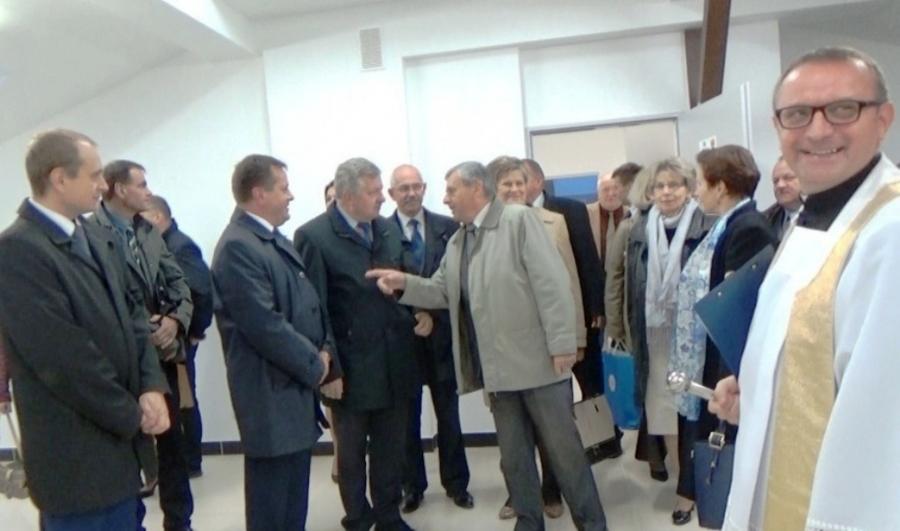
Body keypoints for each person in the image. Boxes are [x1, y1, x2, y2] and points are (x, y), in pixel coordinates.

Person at [709, 46, 900, 531]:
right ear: (777, 127)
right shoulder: (813, 216)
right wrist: (758, 389)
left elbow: (878, 427)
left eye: (843, 109)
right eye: (797, 114)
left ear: (883, 119)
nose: (817, 130)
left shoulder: (889, 230)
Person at [368, 161, 608, 531]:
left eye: (451, 190)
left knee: (566, 456)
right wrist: (404, 283)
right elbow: (442, 290)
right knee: (515, 460)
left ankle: (592, 525)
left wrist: (563, 343)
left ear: (477, 189)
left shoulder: (518, 221)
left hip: (540, 366)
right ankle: (528, 523)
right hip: (497, 373)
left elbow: (553, 284)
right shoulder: (459, 240)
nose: (445, 199)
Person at [0, 129, 170, 530]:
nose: (103, 185)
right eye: (94, 176)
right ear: (60, 178)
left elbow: (133, 311)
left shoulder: (93, 234)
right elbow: (64, 359)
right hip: (76, 460)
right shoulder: (19, 250)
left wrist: (150, 385)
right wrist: (132, 414)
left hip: (119, 448)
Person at [211, 154, 335, 531]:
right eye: (283, 188)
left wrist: (325, 348)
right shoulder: (238, 247)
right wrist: (315, 365)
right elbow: (265, 325)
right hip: (269, 394)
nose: (290, 196)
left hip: (290, 388)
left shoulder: (270, 240)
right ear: (259, 193)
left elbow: (307, 304)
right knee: (272, 506)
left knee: (292, 503)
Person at [294, 157, 419, 531]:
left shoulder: (386, 229)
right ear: (347, 196)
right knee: (350, 455)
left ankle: (389, 516)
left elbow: (405, 281)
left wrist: (418, 311)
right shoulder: (314, 236)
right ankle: (358, 519)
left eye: (381, 190)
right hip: (350, 367)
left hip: (395, 360)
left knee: (390, 448)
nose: (383, 197)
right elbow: (313, 308)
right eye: (374, 191)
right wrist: (329, 368)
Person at [669, 145, 777, 525]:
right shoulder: (727, 223)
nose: (696, 191)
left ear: (721, 186)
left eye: (700, 183)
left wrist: (728, 373)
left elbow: (739, 308)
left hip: (728, 359)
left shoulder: (747, 228)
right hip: (715, 353)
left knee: (726, 449)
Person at [90, 160, 195, 531]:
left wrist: (174, 320)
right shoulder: (89, 234)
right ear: (120, 189)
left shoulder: (148, 231)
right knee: (129, 445)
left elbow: (179, 283)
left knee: (172, 442)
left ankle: (179, 522)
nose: (149, 192)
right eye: (142, 185)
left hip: (162, 353)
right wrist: (138, 327)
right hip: (120, 359)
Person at [490, 155, 585, 520]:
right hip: (504, 352)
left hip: (546, 348)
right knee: (513, 437)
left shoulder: (552, 222)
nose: (515, 189)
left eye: (520, 183)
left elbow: (568, 283)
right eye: (507, 184)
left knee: (553, 433)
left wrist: (574, 338)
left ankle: (551, 491)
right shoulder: (483, 230)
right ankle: (519, 495)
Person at [624, 158, 712, 525]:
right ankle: (681, 480)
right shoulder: (640, 230)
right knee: (664, 410)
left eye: (674, 185)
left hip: (694, 335)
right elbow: (629, 283)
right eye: (660, 186)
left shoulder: (707, 225)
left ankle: (692, 489)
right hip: (656, 334)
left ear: (689, 189)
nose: (666, 192)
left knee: (693, 411)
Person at [388, 164, 473, 515]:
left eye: (416, 186)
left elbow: (458, 283)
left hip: (442, 338)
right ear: (392, 194)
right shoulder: (381, 233)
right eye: (403, 188)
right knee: (406, 420)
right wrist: (415, 315)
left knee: (449, 416)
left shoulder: (449, 228)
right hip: (403, 340)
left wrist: (432, 316)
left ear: (424, 188)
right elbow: (382, 287)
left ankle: (457, 484)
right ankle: (412, 487)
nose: (411, 193)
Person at [522, 159, 609, 402]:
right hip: (538, 319)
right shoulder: (512, 216)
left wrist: (596, 308)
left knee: (587, 385)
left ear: (538, 181)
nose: (517, 188)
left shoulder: (570, 210)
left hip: (576, 308)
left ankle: (596, 426)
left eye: (522, 181)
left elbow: (586, 259)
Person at [142, 195, 214, 479]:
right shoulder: (161, 246)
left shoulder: (179, 246)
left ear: (157, 217)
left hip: (177, 338)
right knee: (178, 400)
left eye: (142, 218)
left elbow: (201, 291)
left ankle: (190, 462)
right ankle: (181, 462)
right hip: (165, 338)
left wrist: (193, 330)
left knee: (184, 401)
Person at [588, 163, 641, 269]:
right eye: (605, 189)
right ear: (598, 193)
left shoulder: (634, 214)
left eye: (615, 188)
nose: (611, 193)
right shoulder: (585, 214)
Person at [763, 157, 803, 239]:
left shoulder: (824, 218)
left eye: (788, 178)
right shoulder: (765, 220)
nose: (780, 185)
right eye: (775, 181)